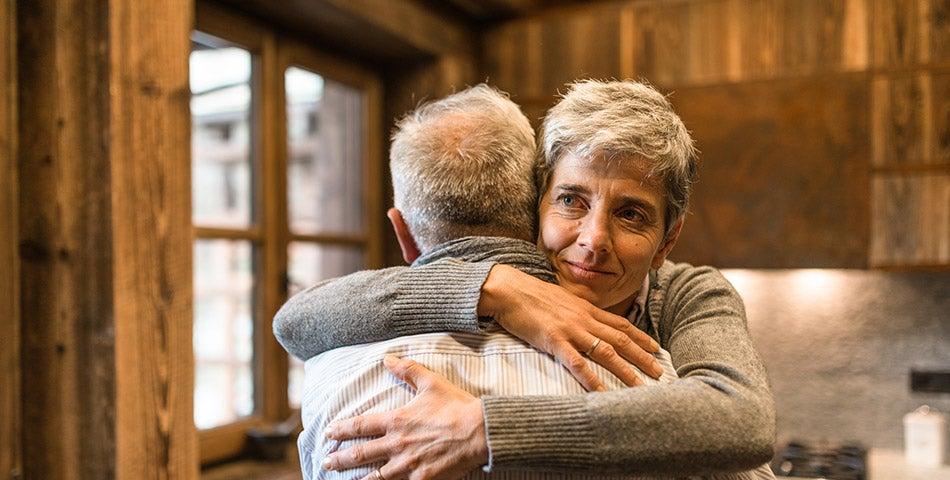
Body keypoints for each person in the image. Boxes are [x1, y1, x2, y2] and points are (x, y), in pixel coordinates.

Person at [275, 80, 776, 478]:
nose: (593, 238)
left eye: (631, 215)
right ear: (537, 202)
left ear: (668, 240)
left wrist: (486, 428)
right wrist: (492, 289)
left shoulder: (690, 294)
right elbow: (297, 320)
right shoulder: (506, 285)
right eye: (571, 201)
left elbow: (741, 419)